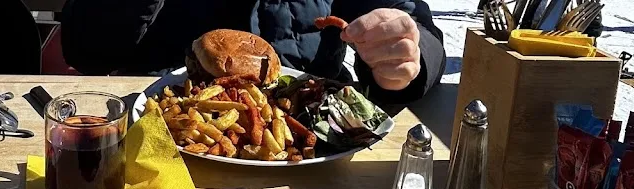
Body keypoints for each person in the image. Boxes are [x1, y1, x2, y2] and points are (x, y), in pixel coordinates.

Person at [60, 0, 447, 104]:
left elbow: (420, 32)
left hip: (308, 152)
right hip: (166, 147)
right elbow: (86, 49)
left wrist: (404, 57)